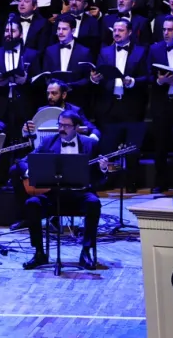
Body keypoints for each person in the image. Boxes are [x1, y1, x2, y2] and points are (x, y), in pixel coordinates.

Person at [16, 110, 109, 271]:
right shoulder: (48, 142)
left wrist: (103, 168)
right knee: (32, 204)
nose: (61, 129)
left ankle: (86, 252)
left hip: (80, 194)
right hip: (53, 194)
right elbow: (23, 161)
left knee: (94, 203)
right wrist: (29, 172)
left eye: (66, 126)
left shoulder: (90, 144)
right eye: (59, 124)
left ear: (76, 127)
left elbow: (99, 179)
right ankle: (39, 253)